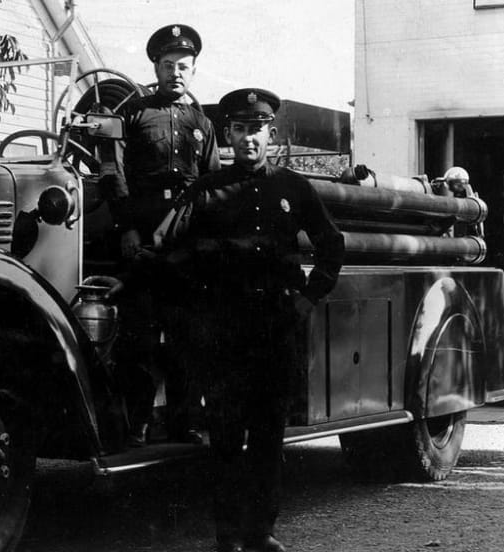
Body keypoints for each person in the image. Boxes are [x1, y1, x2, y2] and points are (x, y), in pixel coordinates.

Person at [163, 88, 345, 552]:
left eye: (258, 130)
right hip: (224, 331)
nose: (249, 138)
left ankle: (261, 532)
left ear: (272, 134)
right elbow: (171, 252)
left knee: (268, 436)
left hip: (275, 329)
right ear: (228, 134)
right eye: (241, 129)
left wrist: (308, 298)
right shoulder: (206, 191)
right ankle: (228, 537)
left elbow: (332, 244)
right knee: (225, 438)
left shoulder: (294, 188)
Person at [104, 23, 221, 446]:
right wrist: (127, 228)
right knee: (139, 334)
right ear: (156, 67)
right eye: (168, 65)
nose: (176, 73)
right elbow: (113, 173)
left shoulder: (201, 123)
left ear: (194, 70)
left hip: (186, 240)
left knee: (187, 333)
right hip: (142, 236)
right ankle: (135, 423)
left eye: (183, 66)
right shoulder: (133, 115)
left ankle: (183, 422)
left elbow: (211, 183)